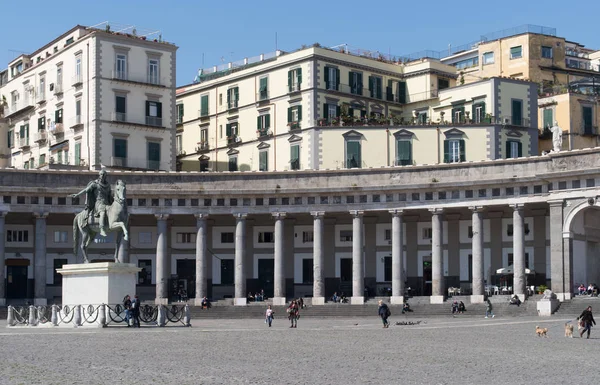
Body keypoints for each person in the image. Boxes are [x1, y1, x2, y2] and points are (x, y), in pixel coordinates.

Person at [71, 169, 113, 236]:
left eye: (104, 175)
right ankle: (102, 229)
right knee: (102, 212)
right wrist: (78, 194)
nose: (102, 176)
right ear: (99, 175)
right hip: (99, 203)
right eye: (101, 174)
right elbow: (86, 190)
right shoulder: (95, 184)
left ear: (105, 176)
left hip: (107, 203)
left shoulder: (108, 185)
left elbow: (110, 195)